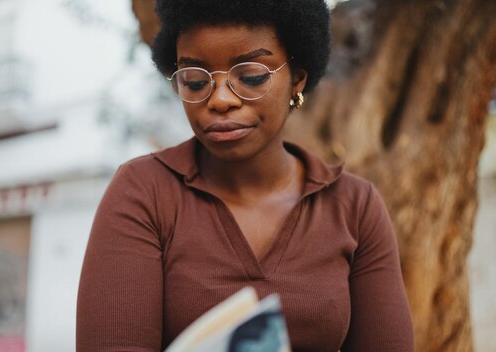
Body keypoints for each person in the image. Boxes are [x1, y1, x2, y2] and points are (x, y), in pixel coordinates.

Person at [76, 0, 414, 351]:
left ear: (297, 78)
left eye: (251, 76)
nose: (220, 99)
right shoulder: (144, 192)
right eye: (194, 81)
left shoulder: (354, 206)